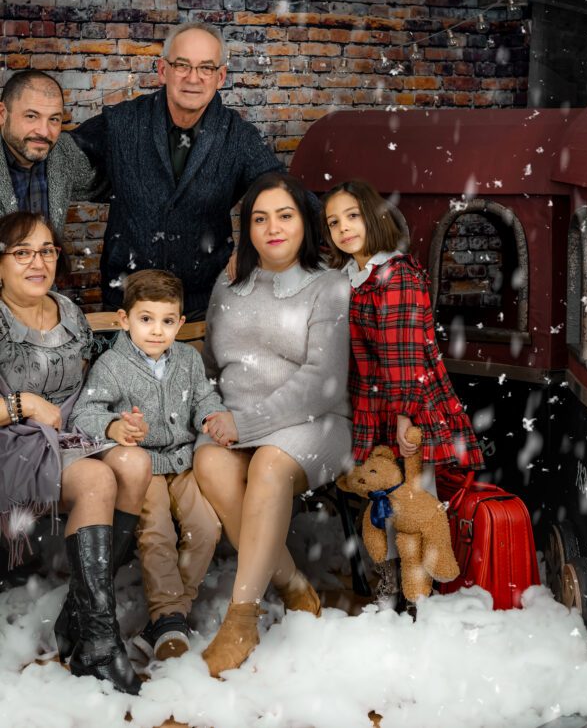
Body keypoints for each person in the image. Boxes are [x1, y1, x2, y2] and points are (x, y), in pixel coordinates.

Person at [192, 171, 351, 677]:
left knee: (267, 466)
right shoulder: (230, 279)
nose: (272, 228)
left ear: (304, 221)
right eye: (259, 218)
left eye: (284, 216)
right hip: (235, 420)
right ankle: (292, 583)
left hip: (314, 420)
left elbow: (321, 380)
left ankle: (241, 617)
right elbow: (214, 362)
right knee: (210, 466)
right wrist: (209, 409)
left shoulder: (329, 286)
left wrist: (248, 421)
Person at [0, 211, 151, 694]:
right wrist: (24, 403)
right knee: (98, 480)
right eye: (22, 252)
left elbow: (88, 391)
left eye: (46, 250)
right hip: (14, 440)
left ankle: (78, 622)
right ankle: (101, 645)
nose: (37, 262)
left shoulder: (67, 310)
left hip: (72, 434)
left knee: (134, 461)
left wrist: (113, 422)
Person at [322, 180, 485, 604]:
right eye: (334, 222)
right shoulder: (352, 276)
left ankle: (421, 589)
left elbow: (402, 355)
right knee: (384, 493)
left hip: (404, 396)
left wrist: (404, 416)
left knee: (413, 496)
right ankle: (391, 579)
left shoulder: (394, 275)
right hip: (371, 399)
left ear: (373, 218)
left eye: (352, 216)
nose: (343, 228)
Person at [73, 21, 285, 319]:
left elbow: (284, 192)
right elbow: (57, 157)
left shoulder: (237, 137)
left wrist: (255, 249)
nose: (193, 78)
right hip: (127, 306)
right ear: (163, 70)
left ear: (220, 76)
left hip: (204, 307)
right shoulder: (122, 124)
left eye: (206, 68)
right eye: (182, 65)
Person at [70, 269, 230, 662]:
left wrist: (214, 417)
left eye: (167, 321)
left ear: (179, 322)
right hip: (146, 468)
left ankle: (169, 616)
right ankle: (170, 616)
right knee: (156, 533)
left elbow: (204, 401)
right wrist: (114, 425)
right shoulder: (111, 365)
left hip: (184, 462)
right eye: (146, 319)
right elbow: (83, 414)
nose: (157, 330)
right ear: (124, 320)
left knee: (205, 528)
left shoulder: (189, 360)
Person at [0, 70, 98, 229]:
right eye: (31, 116)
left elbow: (114, 183)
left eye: (54, 119)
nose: (44, 132)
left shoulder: (64, 153)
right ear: (2, 114)